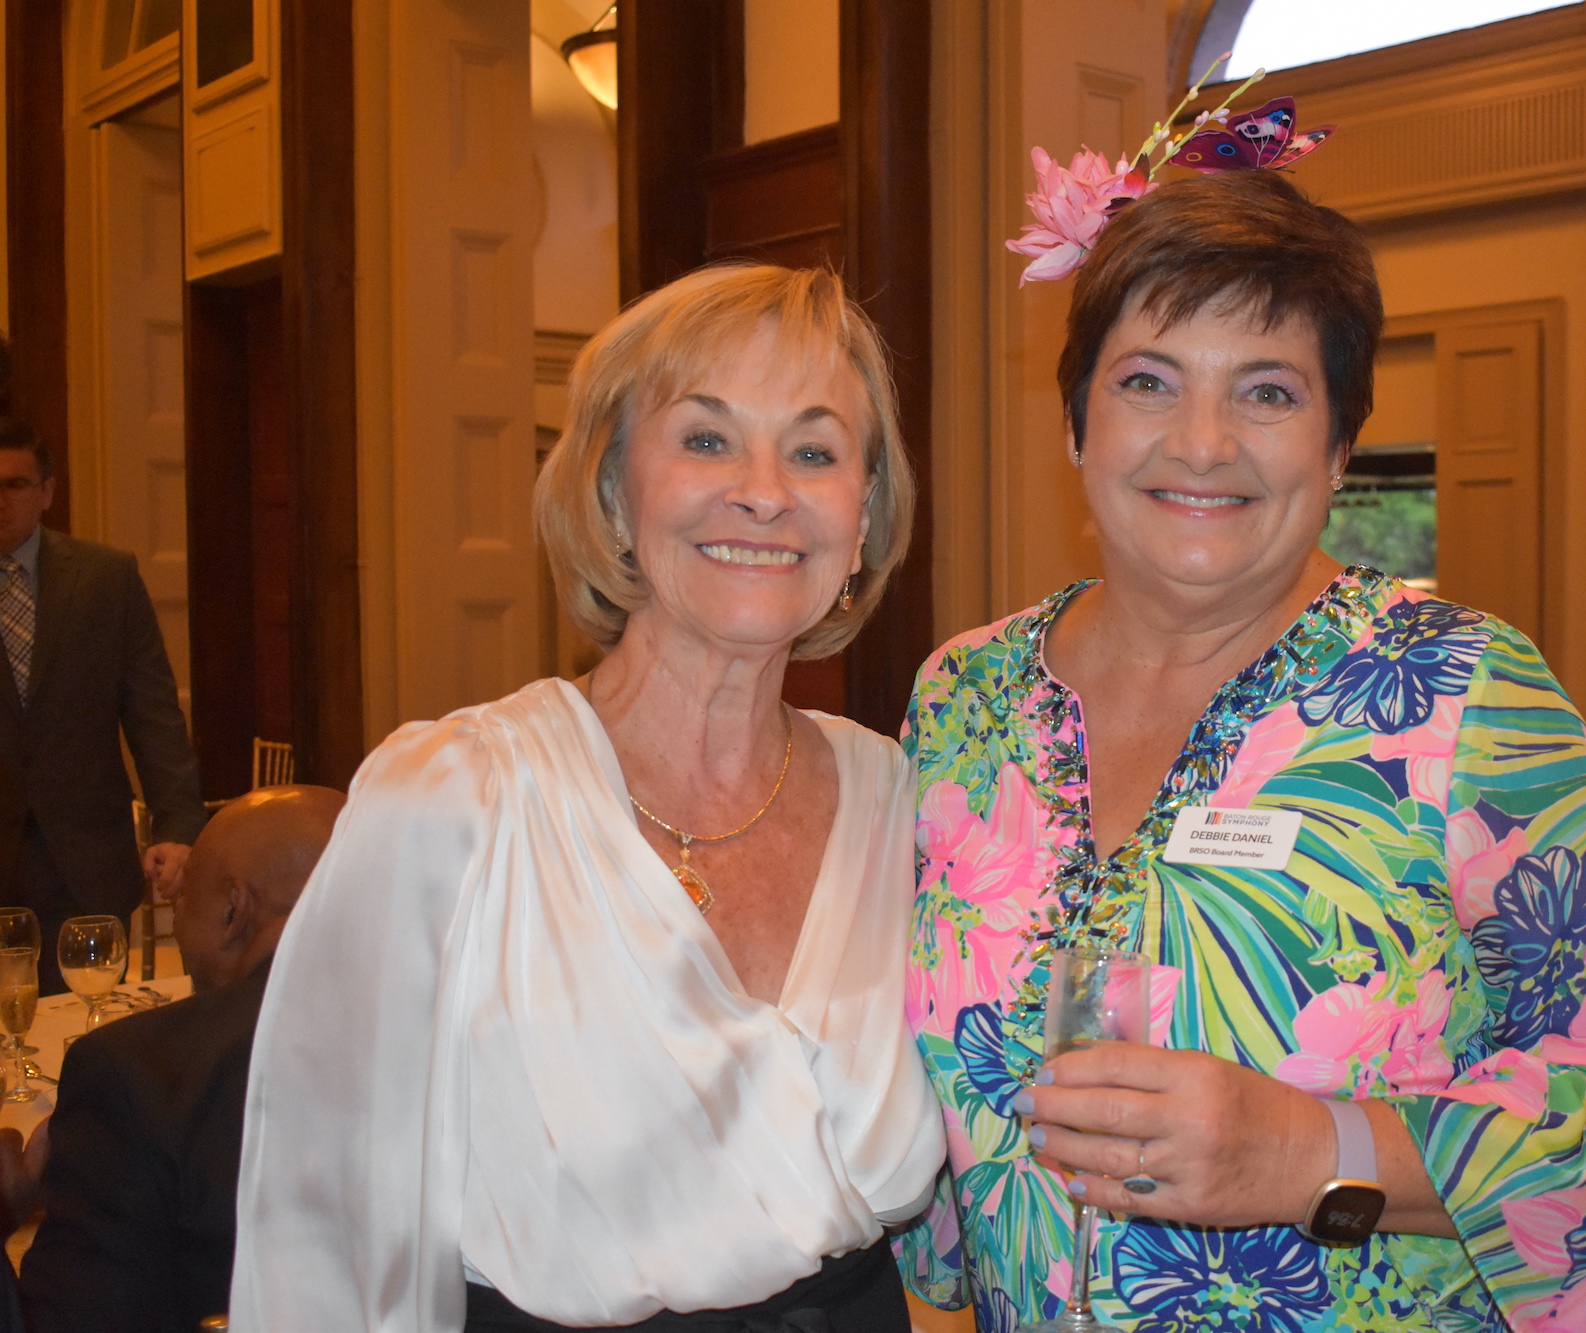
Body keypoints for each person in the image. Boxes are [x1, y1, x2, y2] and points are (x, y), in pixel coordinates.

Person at [897, 171, 1586, 1330]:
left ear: (1337, 447)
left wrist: (1306, 1150)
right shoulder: (962, 700)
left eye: (1266, 391)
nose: (1202, 442)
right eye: (1146, 381)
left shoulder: (1467, 696)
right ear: (1075, 422)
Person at [231, 264, 946, 1332]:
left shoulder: (902, 802)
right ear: (612, 491)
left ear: (864, 514)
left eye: (813, 451)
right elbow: (327, 1254)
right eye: (706, 438)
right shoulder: (452, 804)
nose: (764, 490)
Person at [14, 784, 343, 1332]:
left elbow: (73, 1319)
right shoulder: (464, 1034)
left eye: (182, 901)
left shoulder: (134, 1071)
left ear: (233, 908)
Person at [0, 417, 203, 992]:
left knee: (81, 1027)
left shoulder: (104, 580)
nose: (1, 501)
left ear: (47, 492)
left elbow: (153, 714)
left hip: (81, 861)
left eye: (15, 485)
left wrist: (179, 828)